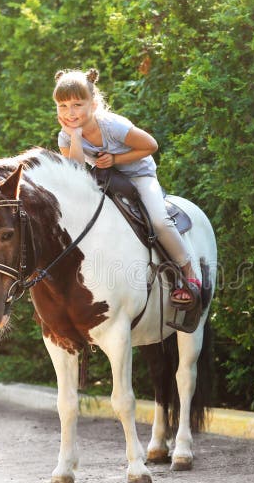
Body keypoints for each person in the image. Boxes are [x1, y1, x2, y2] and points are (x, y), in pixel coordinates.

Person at [53, 68, 199, 305]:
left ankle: (188, 272)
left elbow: (151, 145)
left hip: (139, 175)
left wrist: (115, 159)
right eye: (63, 106)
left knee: (159, 220)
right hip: (105, 178)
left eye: (78, 104)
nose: (70, 112)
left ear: (94, 103)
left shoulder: (113, 126)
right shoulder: (66, 136)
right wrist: (75, 136)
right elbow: (76, 171)